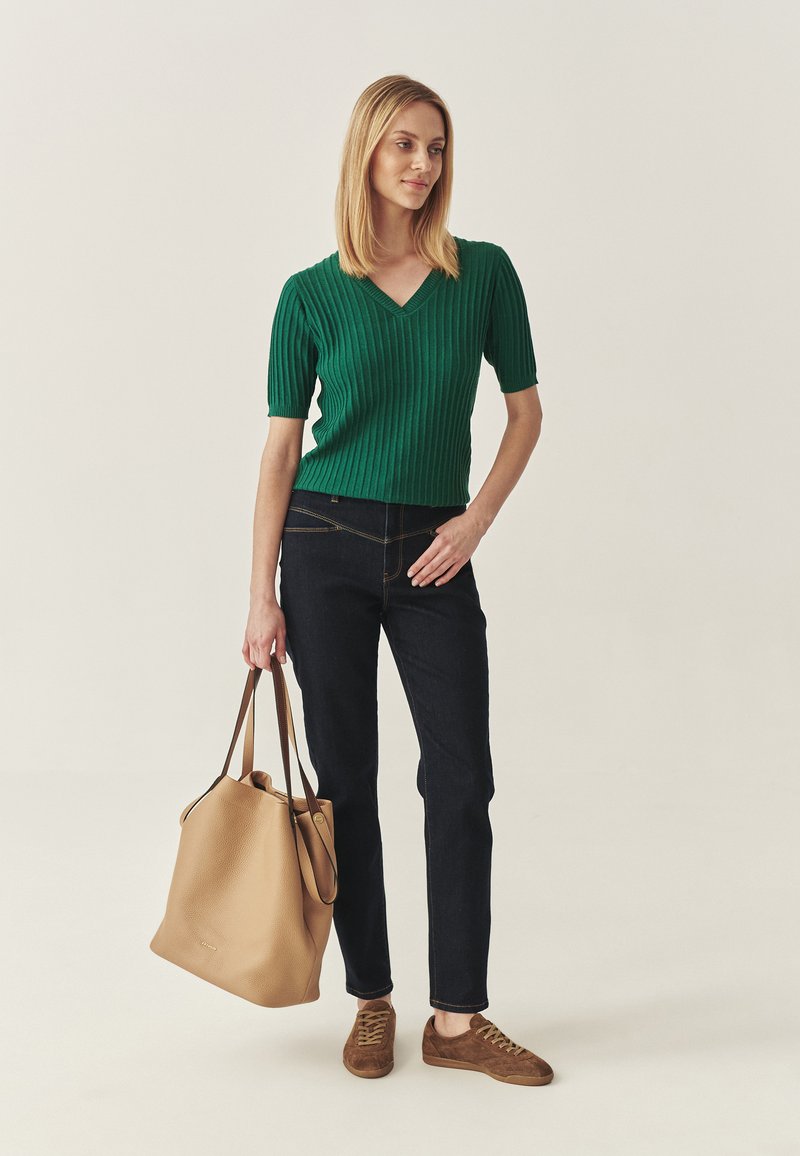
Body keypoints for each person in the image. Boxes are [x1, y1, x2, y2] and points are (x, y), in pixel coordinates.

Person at [243, 74, 553, 1088]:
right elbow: (281, 448)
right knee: (345, 781)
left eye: (435, 147)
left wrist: (475, 520)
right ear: (366, 153)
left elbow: (524, 414)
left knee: (460, 776)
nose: (422, 165)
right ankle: (371, 997)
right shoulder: (309, 293)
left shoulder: (484, 274)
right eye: (403, 146)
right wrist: (260, 594)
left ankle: (456, 1019)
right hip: (322, 545)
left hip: (434, 552)